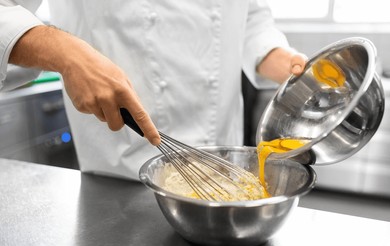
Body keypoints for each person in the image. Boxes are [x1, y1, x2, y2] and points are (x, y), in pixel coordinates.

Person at [0, 0, 306, 180]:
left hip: (223, 161)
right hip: (124, 170)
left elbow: (251, 18)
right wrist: (65, 52)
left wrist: (278, 56)